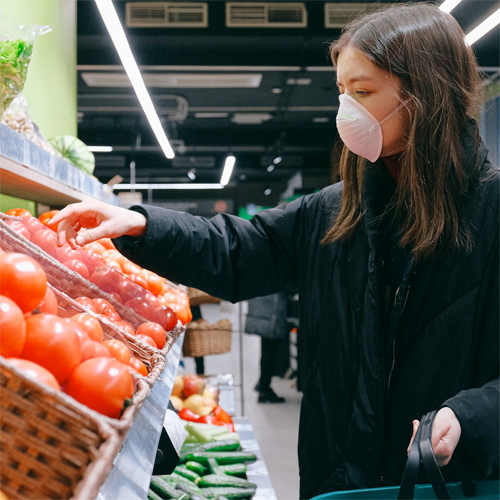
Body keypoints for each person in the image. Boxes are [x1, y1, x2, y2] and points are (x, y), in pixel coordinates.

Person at [49, 3, 499, 498]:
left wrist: (470, 416)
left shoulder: (493, 213)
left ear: (424, 96)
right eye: (342, 91)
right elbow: (238, 249)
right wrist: (142, 225)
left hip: (449, 483)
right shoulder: (333, 211)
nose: (346, 109)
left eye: (364, 91)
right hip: (337, 481)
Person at [245, 292, 289, 403]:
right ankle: (264, 386)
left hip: (263, 309)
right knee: (270, 351)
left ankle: (263, 385)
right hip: (271, 311)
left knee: (267, 350)